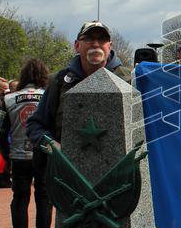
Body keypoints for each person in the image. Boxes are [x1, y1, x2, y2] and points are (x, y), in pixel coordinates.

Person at [27, 21, 122, 153]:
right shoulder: (59, 81)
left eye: (102, 39)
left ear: (110, 46)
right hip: (67, 170)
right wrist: (52, 146)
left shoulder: (128, 80)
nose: (95, 44)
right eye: (88, 39)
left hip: (117, 170)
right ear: (77, 45)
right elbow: (35, 125)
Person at [0, 59, 50, 228]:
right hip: (43, 154)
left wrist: (6, 156)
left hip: (18, 156)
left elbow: (0, 132)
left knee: (20, 199)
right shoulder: (47, 96)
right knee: (43, 197)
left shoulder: (9, 99)